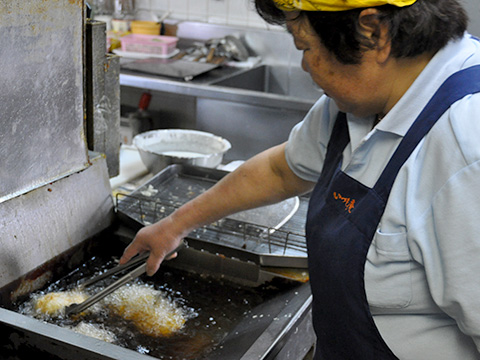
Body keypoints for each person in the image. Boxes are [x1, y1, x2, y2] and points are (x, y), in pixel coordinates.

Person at [120, 0, 480, 358]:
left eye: (305, 46)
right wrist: (174, 225)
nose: (305, 65)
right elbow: (281, 169)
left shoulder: (465, 146)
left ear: (374, 33)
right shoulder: (361, 101)